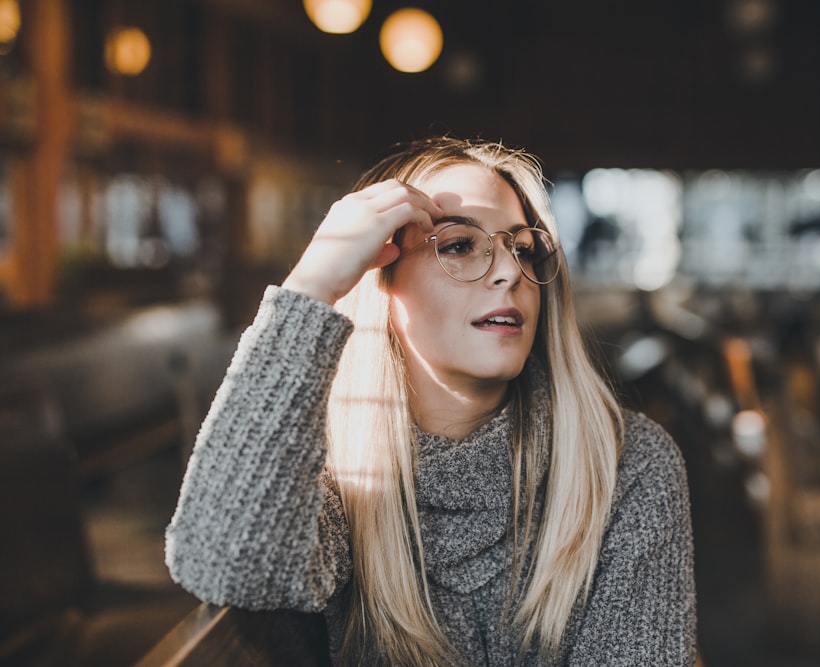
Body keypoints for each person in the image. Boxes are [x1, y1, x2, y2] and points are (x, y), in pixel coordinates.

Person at [165, 136, 696, 666]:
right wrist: (312, 286)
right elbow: (220, 560)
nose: (510, 270)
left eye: (522, 247)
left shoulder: (626, 465)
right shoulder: (328, 477)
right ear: (381, 281)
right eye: (460, 245)